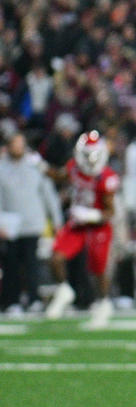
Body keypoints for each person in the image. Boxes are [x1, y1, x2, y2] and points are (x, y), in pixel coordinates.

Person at [45, 131, 120, 328]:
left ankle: (104, 303)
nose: (90, 159)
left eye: (94, 154)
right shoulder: (74, 168)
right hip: (78, 224)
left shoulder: (107, 177)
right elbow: (60, 175)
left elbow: (110, 212)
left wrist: (90, 215)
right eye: (87, 154)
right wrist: (40, 165)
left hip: (98, 226)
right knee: (56, 257)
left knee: (98, 269)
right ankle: (64, 289)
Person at [0, 133, 63, 313]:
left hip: (33, 222)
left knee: (32, 264)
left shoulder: (35, 165)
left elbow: (48, 194)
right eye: (15, 144)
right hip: (10, 224)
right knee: (10, 265)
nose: (18, 148)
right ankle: (12, 301)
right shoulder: (1, 167)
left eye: (21, 144)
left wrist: (56, 219)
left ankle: (34, 299)